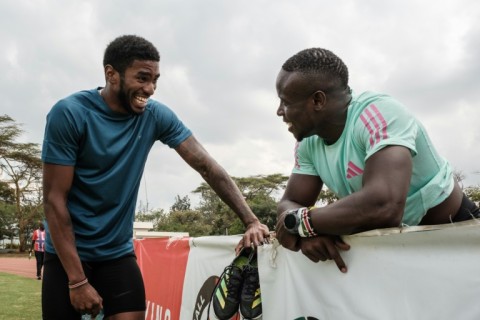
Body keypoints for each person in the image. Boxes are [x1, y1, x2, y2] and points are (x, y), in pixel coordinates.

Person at [41, 34, 269, 320]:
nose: (150, 89)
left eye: (155, 80)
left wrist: (251, 220)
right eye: (142, 78)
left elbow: (206, 165)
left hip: (116, 252)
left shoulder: (155, 115)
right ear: (111, 74)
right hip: (69, 255)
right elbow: (53, 200)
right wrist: (76, 281)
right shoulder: (70, 113)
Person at [275, 48, 480, 274]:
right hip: (393, 250)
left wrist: (301, 224)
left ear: (317, 100)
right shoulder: (308, 143)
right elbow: (290, 202)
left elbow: (385, 206)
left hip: (458, 235)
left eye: (285, 102)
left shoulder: (379, 113)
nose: (279, 111)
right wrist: (306, 234)